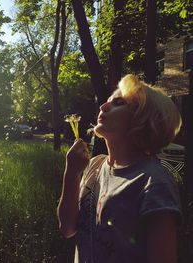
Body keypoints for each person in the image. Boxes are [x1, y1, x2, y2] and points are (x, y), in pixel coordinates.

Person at [57, 74, 182, 263]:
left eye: (118, 103)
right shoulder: (95, 165)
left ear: (142, 118)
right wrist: (72, 173)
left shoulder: (154, 182)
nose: (103, 106)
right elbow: (67, 228)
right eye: (107, 101)